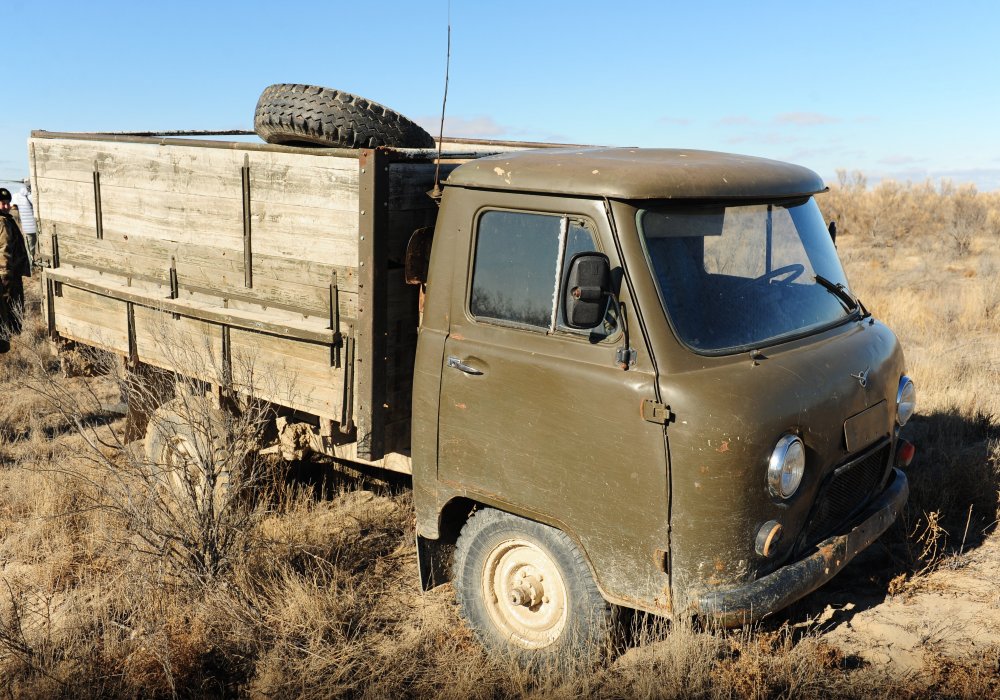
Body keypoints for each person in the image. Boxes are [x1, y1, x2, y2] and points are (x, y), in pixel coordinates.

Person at [0, 187, 31, 353]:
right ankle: (6, 347)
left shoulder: (6, 219)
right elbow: (4, 249)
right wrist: (5, 275)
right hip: (7, 275)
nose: (5, 206)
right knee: (8, 310)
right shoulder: (3, 222)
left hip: (10, 273)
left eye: (7, 203)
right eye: (2, 203)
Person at [12, 179, 37, 266]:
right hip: (35, 227)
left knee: (29, 248)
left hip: (27, 228)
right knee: (34, 247)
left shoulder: (17, 196)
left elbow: (13, 206)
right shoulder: (31, 196)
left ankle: (30, 264)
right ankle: (31, 265)